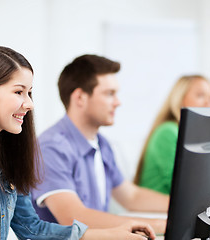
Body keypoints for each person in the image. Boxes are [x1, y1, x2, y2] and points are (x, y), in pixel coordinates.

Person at [0, 45, 156, 240]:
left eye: (30, 92)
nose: (29, 104)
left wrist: (113, 234)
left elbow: (31, 227)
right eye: (19, 92)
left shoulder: (7, 154)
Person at [31, 54, 169, 234]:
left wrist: (184, 206)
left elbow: (131, 196)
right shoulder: (51, 148)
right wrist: (160, 225)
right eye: (109, 94)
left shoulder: (101, 144)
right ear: (80, 97)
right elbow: (73, 216)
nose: (118, 102)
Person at [133, 75, 210, 194]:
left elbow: (203, 181)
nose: (208, 103)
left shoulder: (192, 136)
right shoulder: (168, 131)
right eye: (200, 95)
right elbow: (184, 184)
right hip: (154, 210)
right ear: (180, 99)